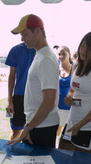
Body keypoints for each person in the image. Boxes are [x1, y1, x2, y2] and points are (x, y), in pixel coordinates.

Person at [6, 14, 60, 148]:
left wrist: (28, 128)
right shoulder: (40, 55)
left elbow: (48, 102)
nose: (22, 39)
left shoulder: (46, 58)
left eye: (25, 34)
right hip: (37, 123)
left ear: (37, 31)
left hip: (42, 126)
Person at [58, 31, 91, 154]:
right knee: (62, 158)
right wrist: (69, 97)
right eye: (82, 46)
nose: (84, 51)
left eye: (89, 49)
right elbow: (72, 90)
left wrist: (80, 125)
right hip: (72, 121)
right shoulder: (76, 66)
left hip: (88, 126)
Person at [5, 43, 35, 140]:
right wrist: (10, 101)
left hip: (35, 98)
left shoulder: (42, 51)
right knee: (15, 133)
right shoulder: (16, 50)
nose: (23, 38)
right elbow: (11, 76)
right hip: (19, 97)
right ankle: (10, 154)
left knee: (32, 135)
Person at [57, 46, 73, 137]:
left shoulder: (74, 68)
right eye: (59, 54)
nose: (61, 56)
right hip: (57, 106)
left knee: (67, 135)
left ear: (69, 55)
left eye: (64, 54)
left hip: (69, 107)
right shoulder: (56, 68)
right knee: (56, 132)